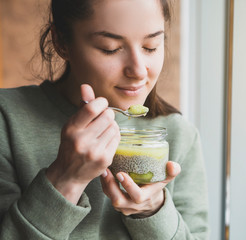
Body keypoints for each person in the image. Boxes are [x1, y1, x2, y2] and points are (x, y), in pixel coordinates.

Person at [0, 0, 209, 239]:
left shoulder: (178, 134)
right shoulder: (6, 119)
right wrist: (66, 179)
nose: (139, 71)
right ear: (61, 42)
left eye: (151, 46)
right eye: (110, 48)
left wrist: (153, 211)